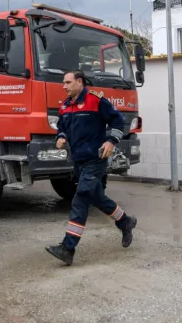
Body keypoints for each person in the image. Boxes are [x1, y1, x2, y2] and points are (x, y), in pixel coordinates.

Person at [45, 70, 137, 266]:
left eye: (68, 82)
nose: (64, 86)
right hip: (78, 161)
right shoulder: (65, 105)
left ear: (80, 82)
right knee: (97, 197)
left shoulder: (95, 100)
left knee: (80, 198)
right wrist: (61, 137)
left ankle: (68, 248)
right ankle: (125, 222)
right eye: (64, 83)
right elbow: (62, 127)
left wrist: (111, 141)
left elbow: (118, 120)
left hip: (96, 159)